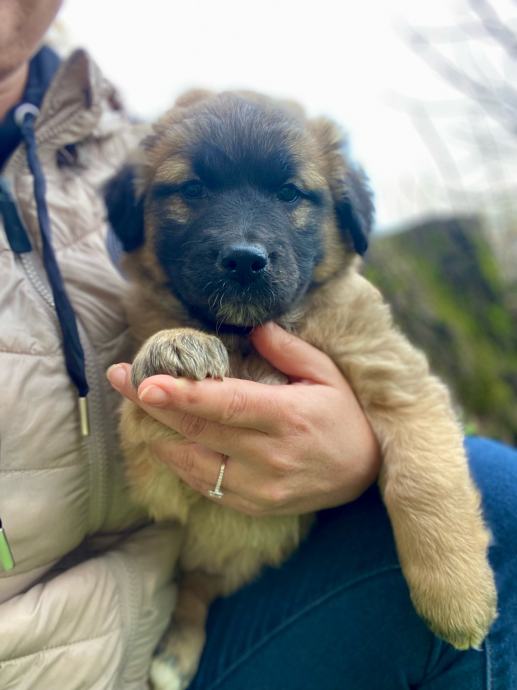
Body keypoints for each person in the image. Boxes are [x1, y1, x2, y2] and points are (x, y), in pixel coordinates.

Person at [0, 2, 515, 689]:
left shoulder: (113, 136)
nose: (245, 240)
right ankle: (191, 612)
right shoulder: (155, 302)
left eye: (289, 193)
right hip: (85, 636)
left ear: (345, 218)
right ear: (133, 216)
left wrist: (361, 457)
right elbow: (155, 478)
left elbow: (410, 405)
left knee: (498, 492)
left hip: (255, 575)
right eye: (193, 190)